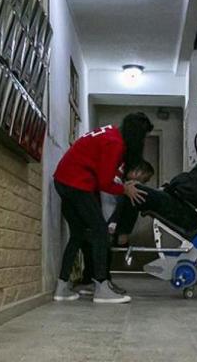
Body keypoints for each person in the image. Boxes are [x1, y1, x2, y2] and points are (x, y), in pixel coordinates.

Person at [53, 113, 153, 304]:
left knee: (78, 234)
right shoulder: (115, 144)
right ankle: (101, 287)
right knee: (100, 231)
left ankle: (62, 286)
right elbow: (105, 182)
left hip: (62, 180)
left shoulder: (110, 132)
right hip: (76, 183)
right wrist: (125, 189)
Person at [111, 131, 197, 243]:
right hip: (180, 203)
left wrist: (176, 183)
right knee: (131, 187)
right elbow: (194, 185)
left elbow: (196, 190)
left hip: (185, 211)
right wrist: (175, 185)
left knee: (133, 190)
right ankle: (120, 233)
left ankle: (120, 236)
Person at [72, 161, 155, 297]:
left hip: (100, 217)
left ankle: (102, 281)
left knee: (100, 250)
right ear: (137, 172)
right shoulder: (115, 178)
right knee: (96, 248)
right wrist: (117, 228)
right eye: (145, 178)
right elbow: (110, 204)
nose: (145, 182)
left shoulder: (119, 178)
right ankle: (95, 281)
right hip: (97, 218)